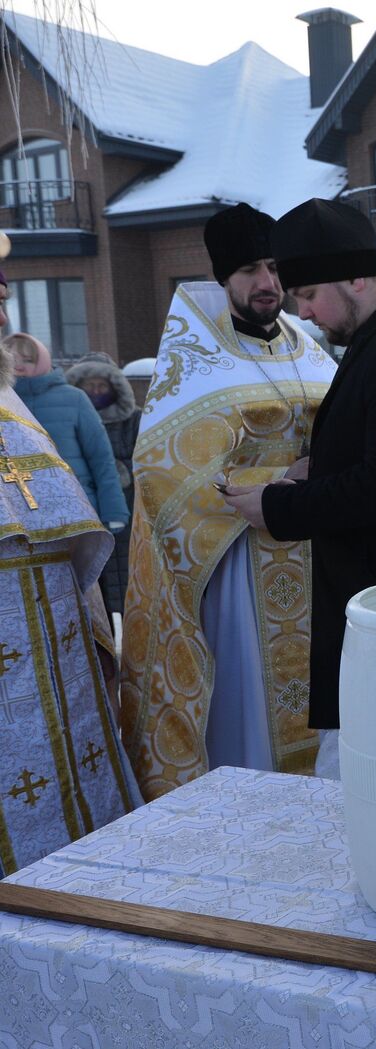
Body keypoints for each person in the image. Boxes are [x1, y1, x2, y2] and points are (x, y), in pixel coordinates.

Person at [220, 198, 376, 772]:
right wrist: (317, 467)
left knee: (374, 775)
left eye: (308, 295)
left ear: (356, 276)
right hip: (372, 607)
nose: (303, 312)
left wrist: (278, 507)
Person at [120, 203, 338, 799]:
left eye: (272, 266)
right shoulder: (195, 356)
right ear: (223, 278)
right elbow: (163, 471)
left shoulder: (303, 342)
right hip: (239, 561)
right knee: (250, 705)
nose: (267, 284)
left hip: (313, 554)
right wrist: (279, 474)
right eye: (249, 271)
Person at [0, 338, 141, 876]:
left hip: (58, 655)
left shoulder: (14, 407)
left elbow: (67, 529)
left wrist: (97, 635)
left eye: (3, 299)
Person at [7, 332, 129, 544]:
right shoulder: (3, 402)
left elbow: (101, 459)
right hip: (17, 515)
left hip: (75, 509)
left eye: (28, 360)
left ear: (42, 360)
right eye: (12, 360)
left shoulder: (74, 398)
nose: (19, 366)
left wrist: (114, 512)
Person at [64, 353, 139, 617]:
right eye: (90, 386)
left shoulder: (133, 420)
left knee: (127, 565)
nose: (96, 392)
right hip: (84, 502)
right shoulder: (71, 418)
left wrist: (118, 468)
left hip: (126, 505)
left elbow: (144, 457)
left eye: (101, 386)